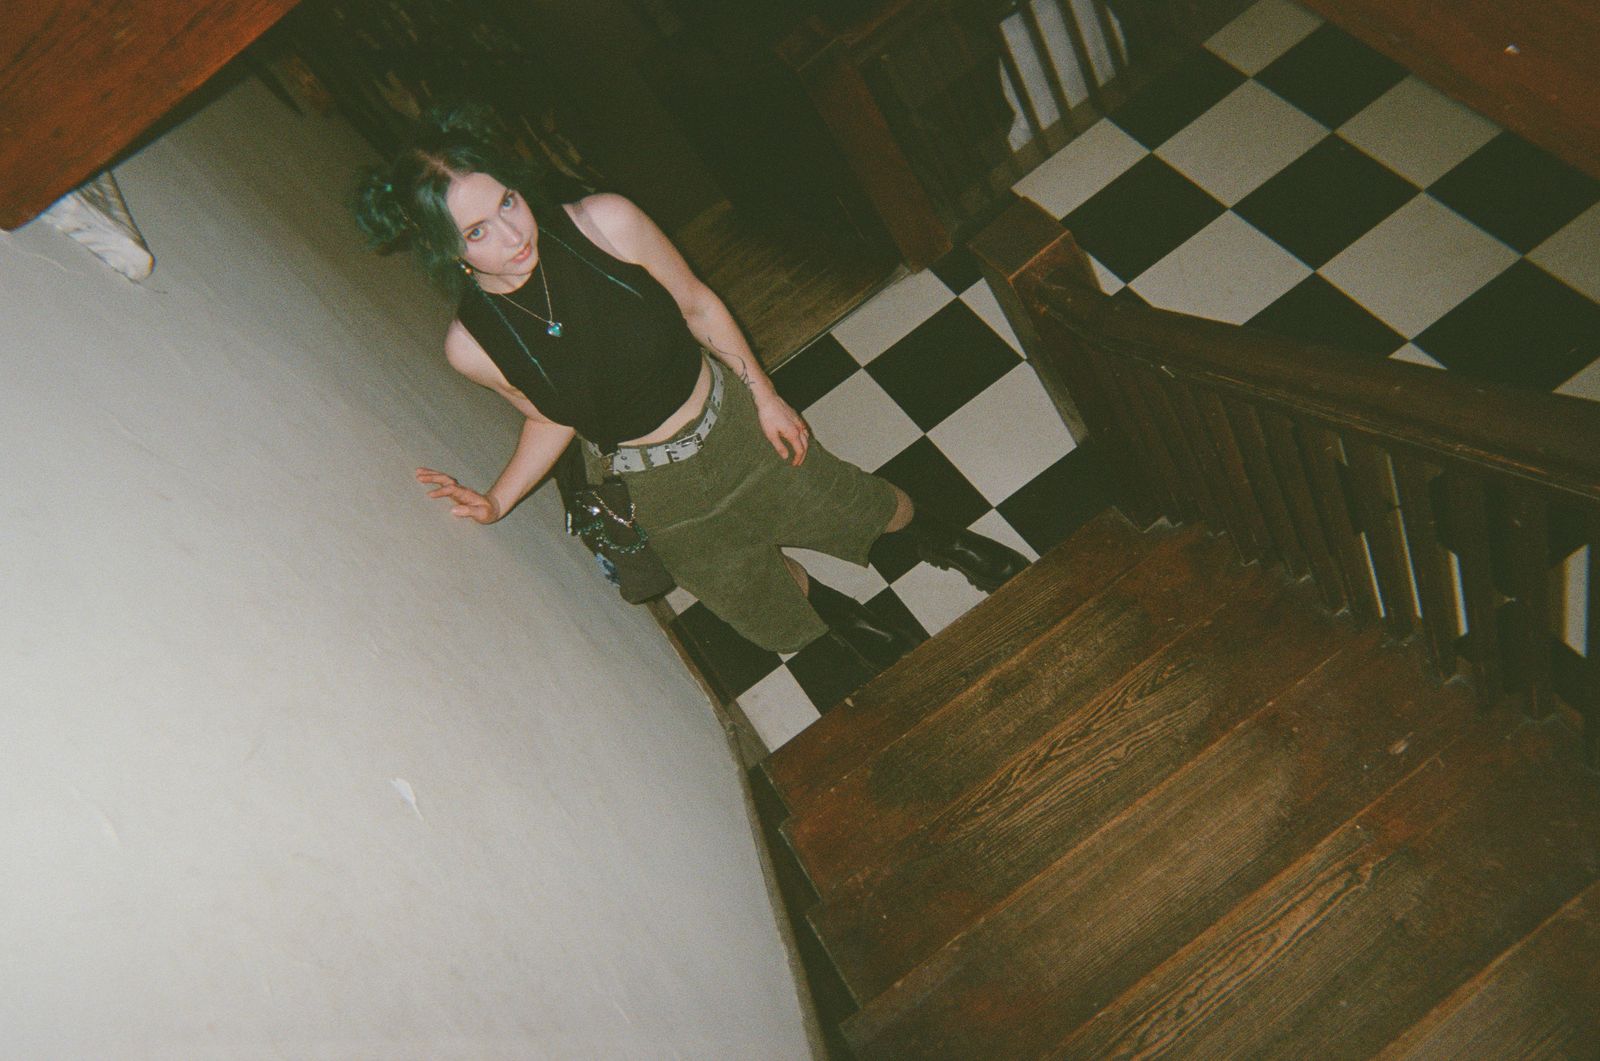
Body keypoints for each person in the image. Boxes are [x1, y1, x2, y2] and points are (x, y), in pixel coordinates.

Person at [354, 106, 1026, 669]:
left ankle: (945, 541)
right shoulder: (472, 346)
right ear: (445, 248)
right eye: (477, 231)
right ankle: (841, 616)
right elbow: (551, 418)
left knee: (852, 504)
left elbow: (699, 306)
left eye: (508, 201)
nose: (511, 233)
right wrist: (497, 500)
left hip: (729, 423)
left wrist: (765, 395)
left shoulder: (604, 222)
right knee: (752, 590)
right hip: (654, 489)